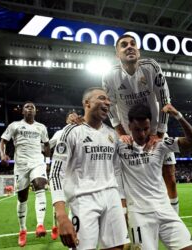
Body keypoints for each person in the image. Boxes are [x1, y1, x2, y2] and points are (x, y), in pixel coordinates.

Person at [102, 34, 180, 214]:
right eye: (123, 45)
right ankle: (129, 221)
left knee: (170, 176)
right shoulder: (109, 75)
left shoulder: (151, 67)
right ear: (117, 54)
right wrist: (121, 132)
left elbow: (165, 101)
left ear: (138, 50)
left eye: (133, 44)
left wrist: (159, 135)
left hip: (153, 130)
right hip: (129, 134)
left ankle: (176, 217)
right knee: (125, 179)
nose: (129, 47)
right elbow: (110, 107)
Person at [49, 87, 129, 249]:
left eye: (108, 100)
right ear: (86, 103)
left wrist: (122, 204)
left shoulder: (112, 135)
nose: (107, 102)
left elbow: (117, 171)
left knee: (118, 247)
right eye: (102, 98)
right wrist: (61, 214)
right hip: (83, 200)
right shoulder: (70, 132)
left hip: (111, 196)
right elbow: (56, 173)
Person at [118, 103, 192, 249]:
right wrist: (75, 121)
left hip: (165, 210)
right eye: (137, 129)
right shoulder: (119, 146)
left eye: (145, 129)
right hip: (139, 215)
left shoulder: (159, 144)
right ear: (129, 126)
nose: (142, 134)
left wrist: (177, 115)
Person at [0, 101, 50, 247]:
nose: (29, 109)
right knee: (22, 197)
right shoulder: (14, 125)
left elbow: (46, 145)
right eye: (26, 107)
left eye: (32, 107)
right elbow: (2, 142)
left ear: (35, 111)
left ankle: (40, 225)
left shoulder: (41, 127)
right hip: (20, 165)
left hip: (37, 162)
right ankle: (23, 230)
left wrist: (47, 161)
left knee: (40, 185)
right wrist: (3, 154)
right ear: (22, 111)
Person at [48, 110, 83, 240]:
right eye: (70, 116)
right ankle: (55, 226)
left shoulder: (82, 130)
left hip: (77, 176)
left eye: (75, 115)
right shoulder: (60, 133)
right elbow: (47, 146)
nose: (73, 117)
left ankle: (74, 233)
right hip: (62, 173)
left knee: (73, 208)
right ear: (66, 120)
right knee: (60, 203)